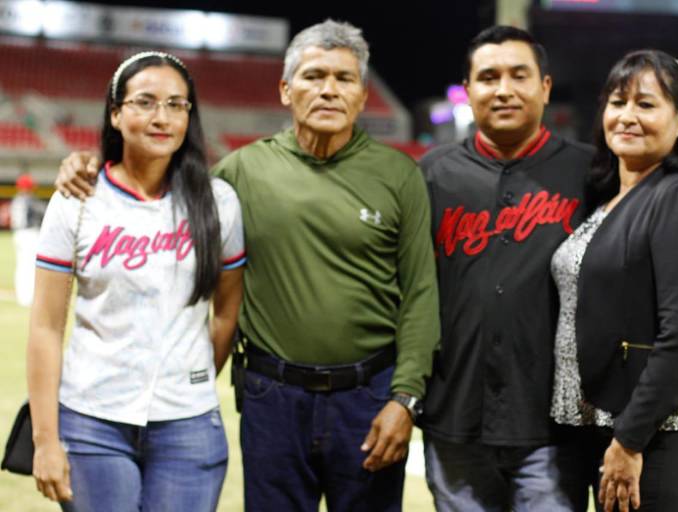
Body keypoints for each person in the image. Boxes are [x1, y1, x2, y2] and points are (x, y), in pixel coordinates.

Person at [54, 20, 440, 512]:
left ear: (363, 96)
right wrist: (89, 164)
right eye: (313, 75)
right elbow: (151, 180)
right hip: (271, 398)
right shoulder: (239, 173)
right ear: (285, 89)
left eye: (345, 79)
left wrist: (403, 399)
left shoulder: (399, 175)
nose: (328, 89)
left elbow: (421, 296)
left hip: (367, 397)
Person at [28, 51, 245, 512]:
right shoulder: (77, 199)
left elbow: (227, 311)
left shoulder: (218, 201)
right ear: (115, 112)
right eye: (145, 102)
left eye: (176, 104)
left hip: (188, 425)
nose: (161, 117)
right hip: (91, 422)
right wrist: (46, 440)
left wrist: (192, 377)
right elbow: (46, 327)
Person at [549, 49, 678, 512]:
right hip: (602, 431)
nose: (627, 117)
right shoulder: (608, 201)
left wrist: (629, 441)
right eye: (617, 102)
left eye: (646, 104)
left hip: (658, 438)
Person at [419, 26, 593, 511]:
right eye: (488, 77)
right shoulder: (431, 175)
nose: (503, 89)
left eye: (519, 75)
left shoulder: (590, 172)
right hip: (455, 417)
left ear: (545, 87)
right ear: (468, 90)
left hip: (552, 425)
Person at [10, 172, 46, 306]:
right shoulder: (29, 200)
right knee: (30, 266)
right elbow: (44, 212)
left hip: (18, 234)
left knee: (21, 265)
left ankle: (22, 296)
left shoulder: (16, 199)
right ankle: (28, 297)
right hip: (30, 234)